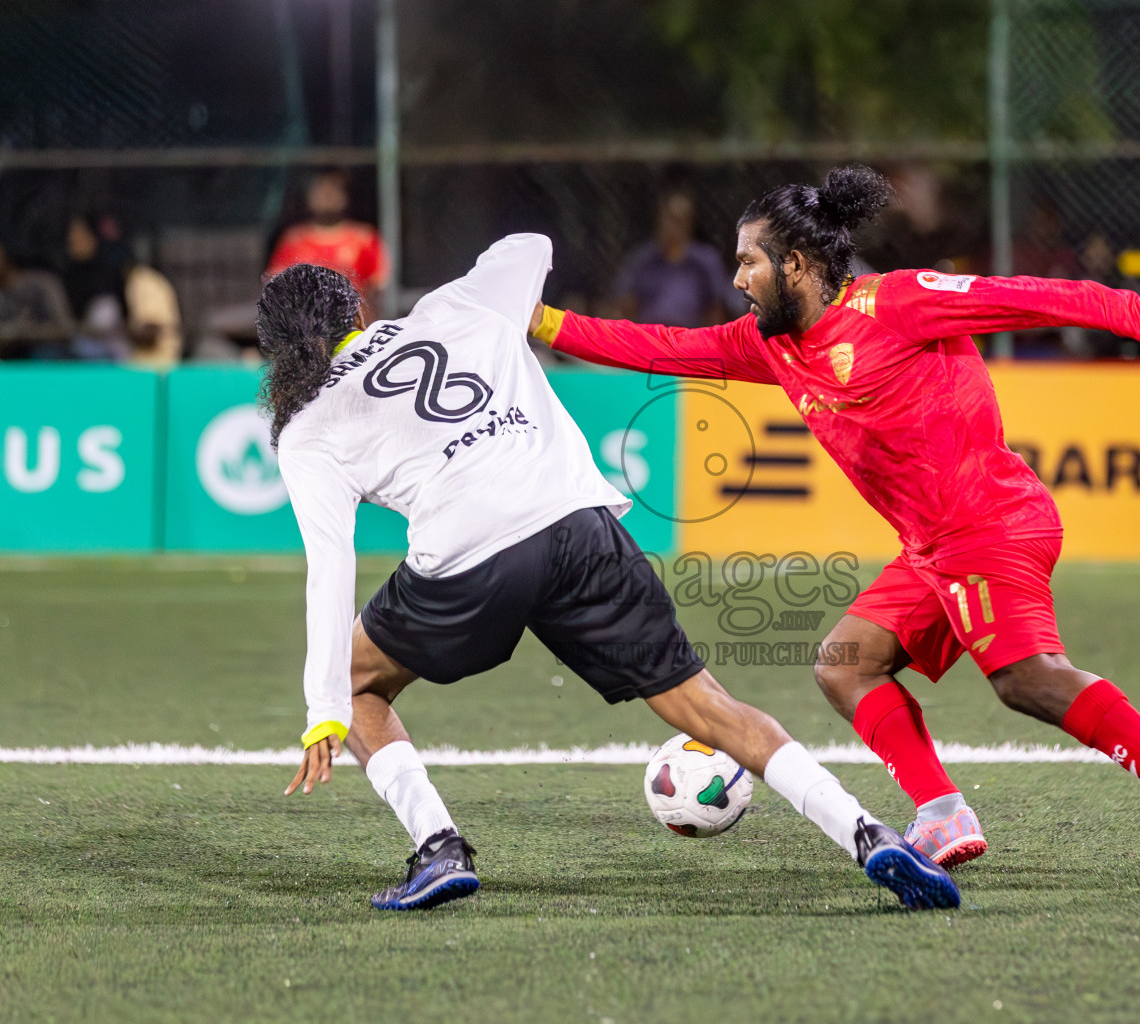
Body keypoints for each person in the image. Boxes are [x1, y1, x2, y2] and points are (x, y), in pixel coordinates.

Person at [530, 166, 1140, 888]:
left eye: (749, 261)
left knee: (1027, 680)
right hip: (933, 549)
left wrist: (1139, 315)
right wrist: (541, 323)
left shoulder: (896, 301)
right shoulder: (770, 346)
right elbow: (658, 347)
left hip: (992, 523)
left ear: (797, 264)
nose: (739, 278)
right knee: (846, 663)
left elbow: (1021, 298)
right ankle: (942, 812)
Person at [260, 236, 960, 912]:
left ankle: (440, 845)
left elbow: (330, 565)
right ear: (357, 311)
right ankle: (867, 832)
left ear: (283, 355)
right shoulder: (456, 307)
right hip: (578, 524)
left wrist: (325, 708)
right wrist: (489, 297)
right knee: (708, 707)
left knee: (357, 683)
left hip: (468, 561)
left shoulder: (304, 428)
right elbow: (529, 243)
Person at [266, 169, 390, 316]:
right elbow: (276, 285)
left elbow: (379, 285)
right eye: (320, 190)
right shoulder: (293, 239)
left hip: (354, 325)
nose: (327, 195)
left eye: (333, 190)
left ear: (346, 196)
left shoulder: (364, 237)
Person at [613, 187, 738, 327]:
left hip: (689, 339)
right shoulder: (642, 259)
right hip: (648, 338)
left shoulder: (705, 261)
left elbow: (716, 310)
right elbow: (625, 306)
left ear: (690, 223)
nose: (673, 226)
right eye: (669, 218)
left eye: (679, 220)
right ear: (659, 219)